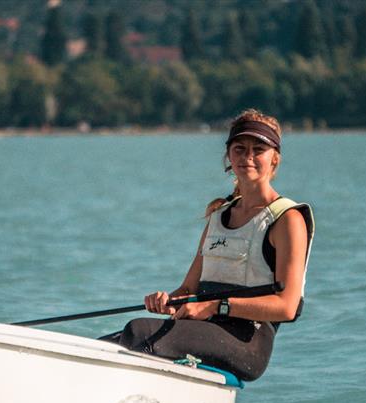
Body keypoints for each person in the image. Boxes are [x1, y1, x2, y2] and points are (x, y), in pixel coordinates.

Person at [111, 109, 314, 381]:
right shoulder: (219, 216)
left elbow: (287, 307)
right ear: (228, 156)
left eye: (258, 149)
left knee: (137, 333)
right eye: (239, 148)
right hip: (202, 327)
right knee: (106, 344)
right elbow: (188, 290)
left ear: (274, 159)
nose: (248, 157)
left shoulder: (287, 219)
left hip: (248, 341)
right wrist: (167, 301)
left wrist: (216, 306)